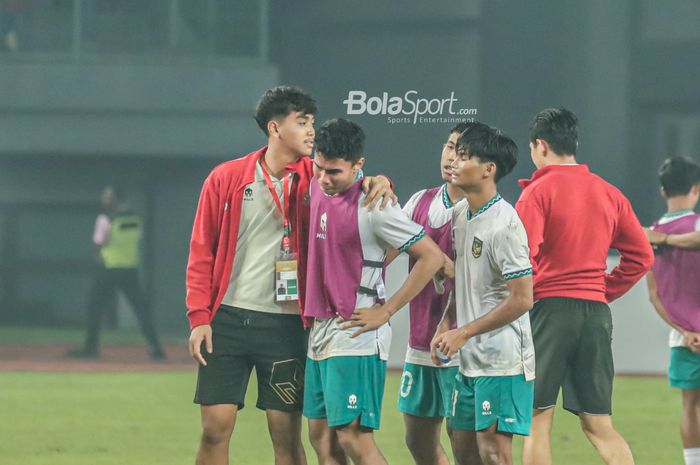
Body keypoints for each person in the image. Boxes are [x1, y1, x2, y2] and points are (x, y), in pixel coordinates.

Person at [185, 86, 395, 465]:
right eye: (302, 122)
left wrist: (380, 179)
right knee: (214, 429)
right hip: (227, 321)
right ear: (275, 128)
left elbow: (353, 182)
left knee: (285, 436)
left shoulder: (316, 179)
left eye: (312, 122)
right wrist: (200, 318)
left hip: (285, 326)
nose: (312, 131)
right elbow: (202, 252)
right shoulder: (226, 178)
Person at [303, 118, 444, 465]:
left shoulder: (377, 208)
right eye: (318, 168)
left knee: (353, 436)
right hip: (322, 327)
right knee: (321, 439)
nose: (323, 178)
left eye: (333, 172)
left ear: (358, 166)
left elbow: (431, 256)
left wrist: (387, 309)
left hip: (357, 330)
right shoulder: (318, 185)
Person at [516, 108, 654, 465]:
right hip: (595, 313)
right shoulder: (609, 193)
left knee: (537, 420)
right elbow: (641, 256)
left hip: (549, 311)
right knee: (599, 424)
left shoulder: (537, 192)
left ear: (540, 146)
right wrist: (601, 290)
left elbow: (522, 260)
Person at [431, 124, 535, 465]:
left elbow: (522, 299)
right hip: (469, 359)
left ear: (489, 169)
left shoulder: (505, 224)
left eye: (464, 157)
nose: (454, 163)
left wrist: (464, 331)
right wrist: (446, 324)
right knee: (464, 452)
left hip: (503, 362)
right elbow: (463, 281)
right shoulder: (461, 215)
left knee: (493, 454)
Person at [395, 122, 476, 465]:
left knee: (464, 443)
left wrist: (449, 267)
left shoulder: (484, 212)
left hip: (463, 342)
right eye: (447, 146)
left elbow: (493, 281)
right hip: (420, 339)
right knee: (417, 438)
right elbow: (387, 244)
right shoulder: (419, 202)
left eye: (460, 151)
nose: (449, 157)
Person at [68, 185, 165, 360]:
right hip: (130, 269)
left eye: (107, 196)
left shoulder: (106, 219)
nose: (104, 199)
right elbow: (138, 238)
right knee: (141, 310)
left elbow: (98, 242)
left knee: (95, 308)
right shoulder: (135, 218)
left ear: (115, 198)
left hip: (109, 267)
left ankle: (91, 348)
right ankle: (155, 349)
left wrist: (100, 254)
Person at [645, 157, 700, 465]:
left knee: (690, 406)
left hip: (684, 339)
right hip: (689, 335)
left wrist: (686, 331)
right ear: (696, 189)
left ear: (663, 191)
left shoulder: (651, 234)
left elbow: (655, 296)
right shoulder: (695, 224)